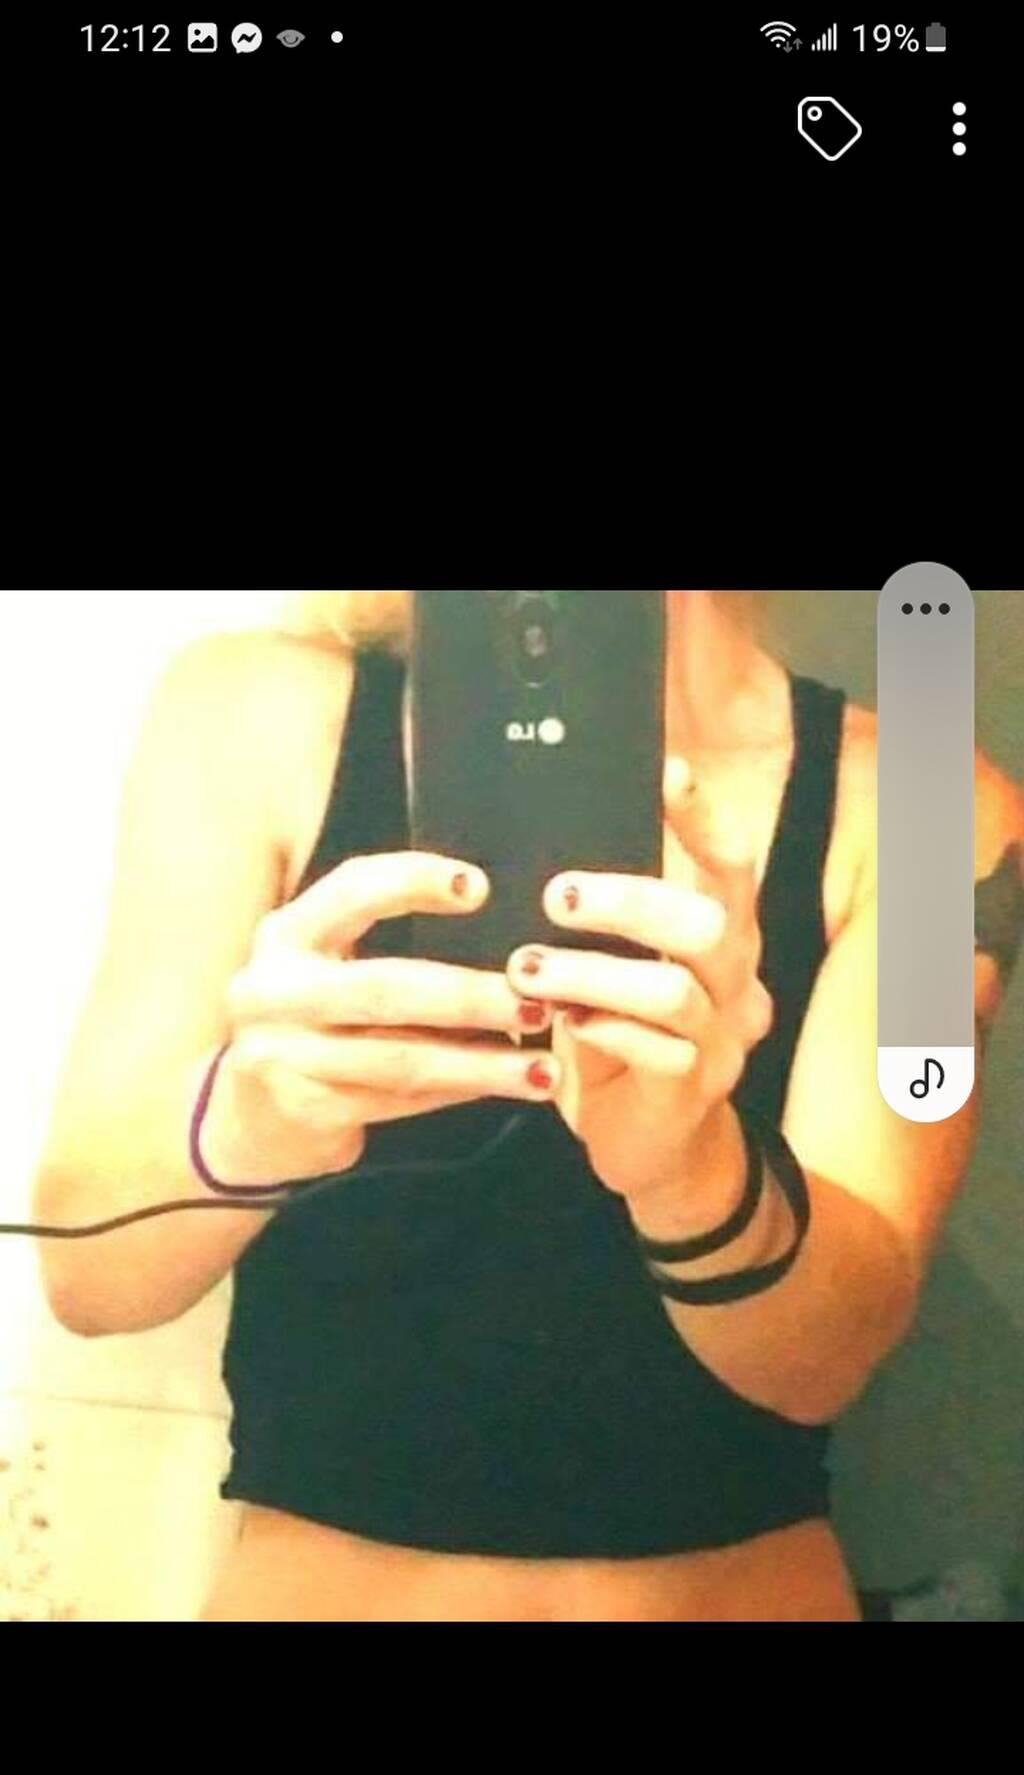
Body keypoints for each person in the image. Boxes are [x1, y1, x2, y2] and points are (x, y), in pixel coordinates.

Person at [32, 591, 1024, 1622]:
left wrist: (691, 1171)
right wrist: (248, 1122)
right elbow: (90, 1272)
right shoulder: (252, 715)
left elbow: (829, 1354)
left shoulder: (929, 809)